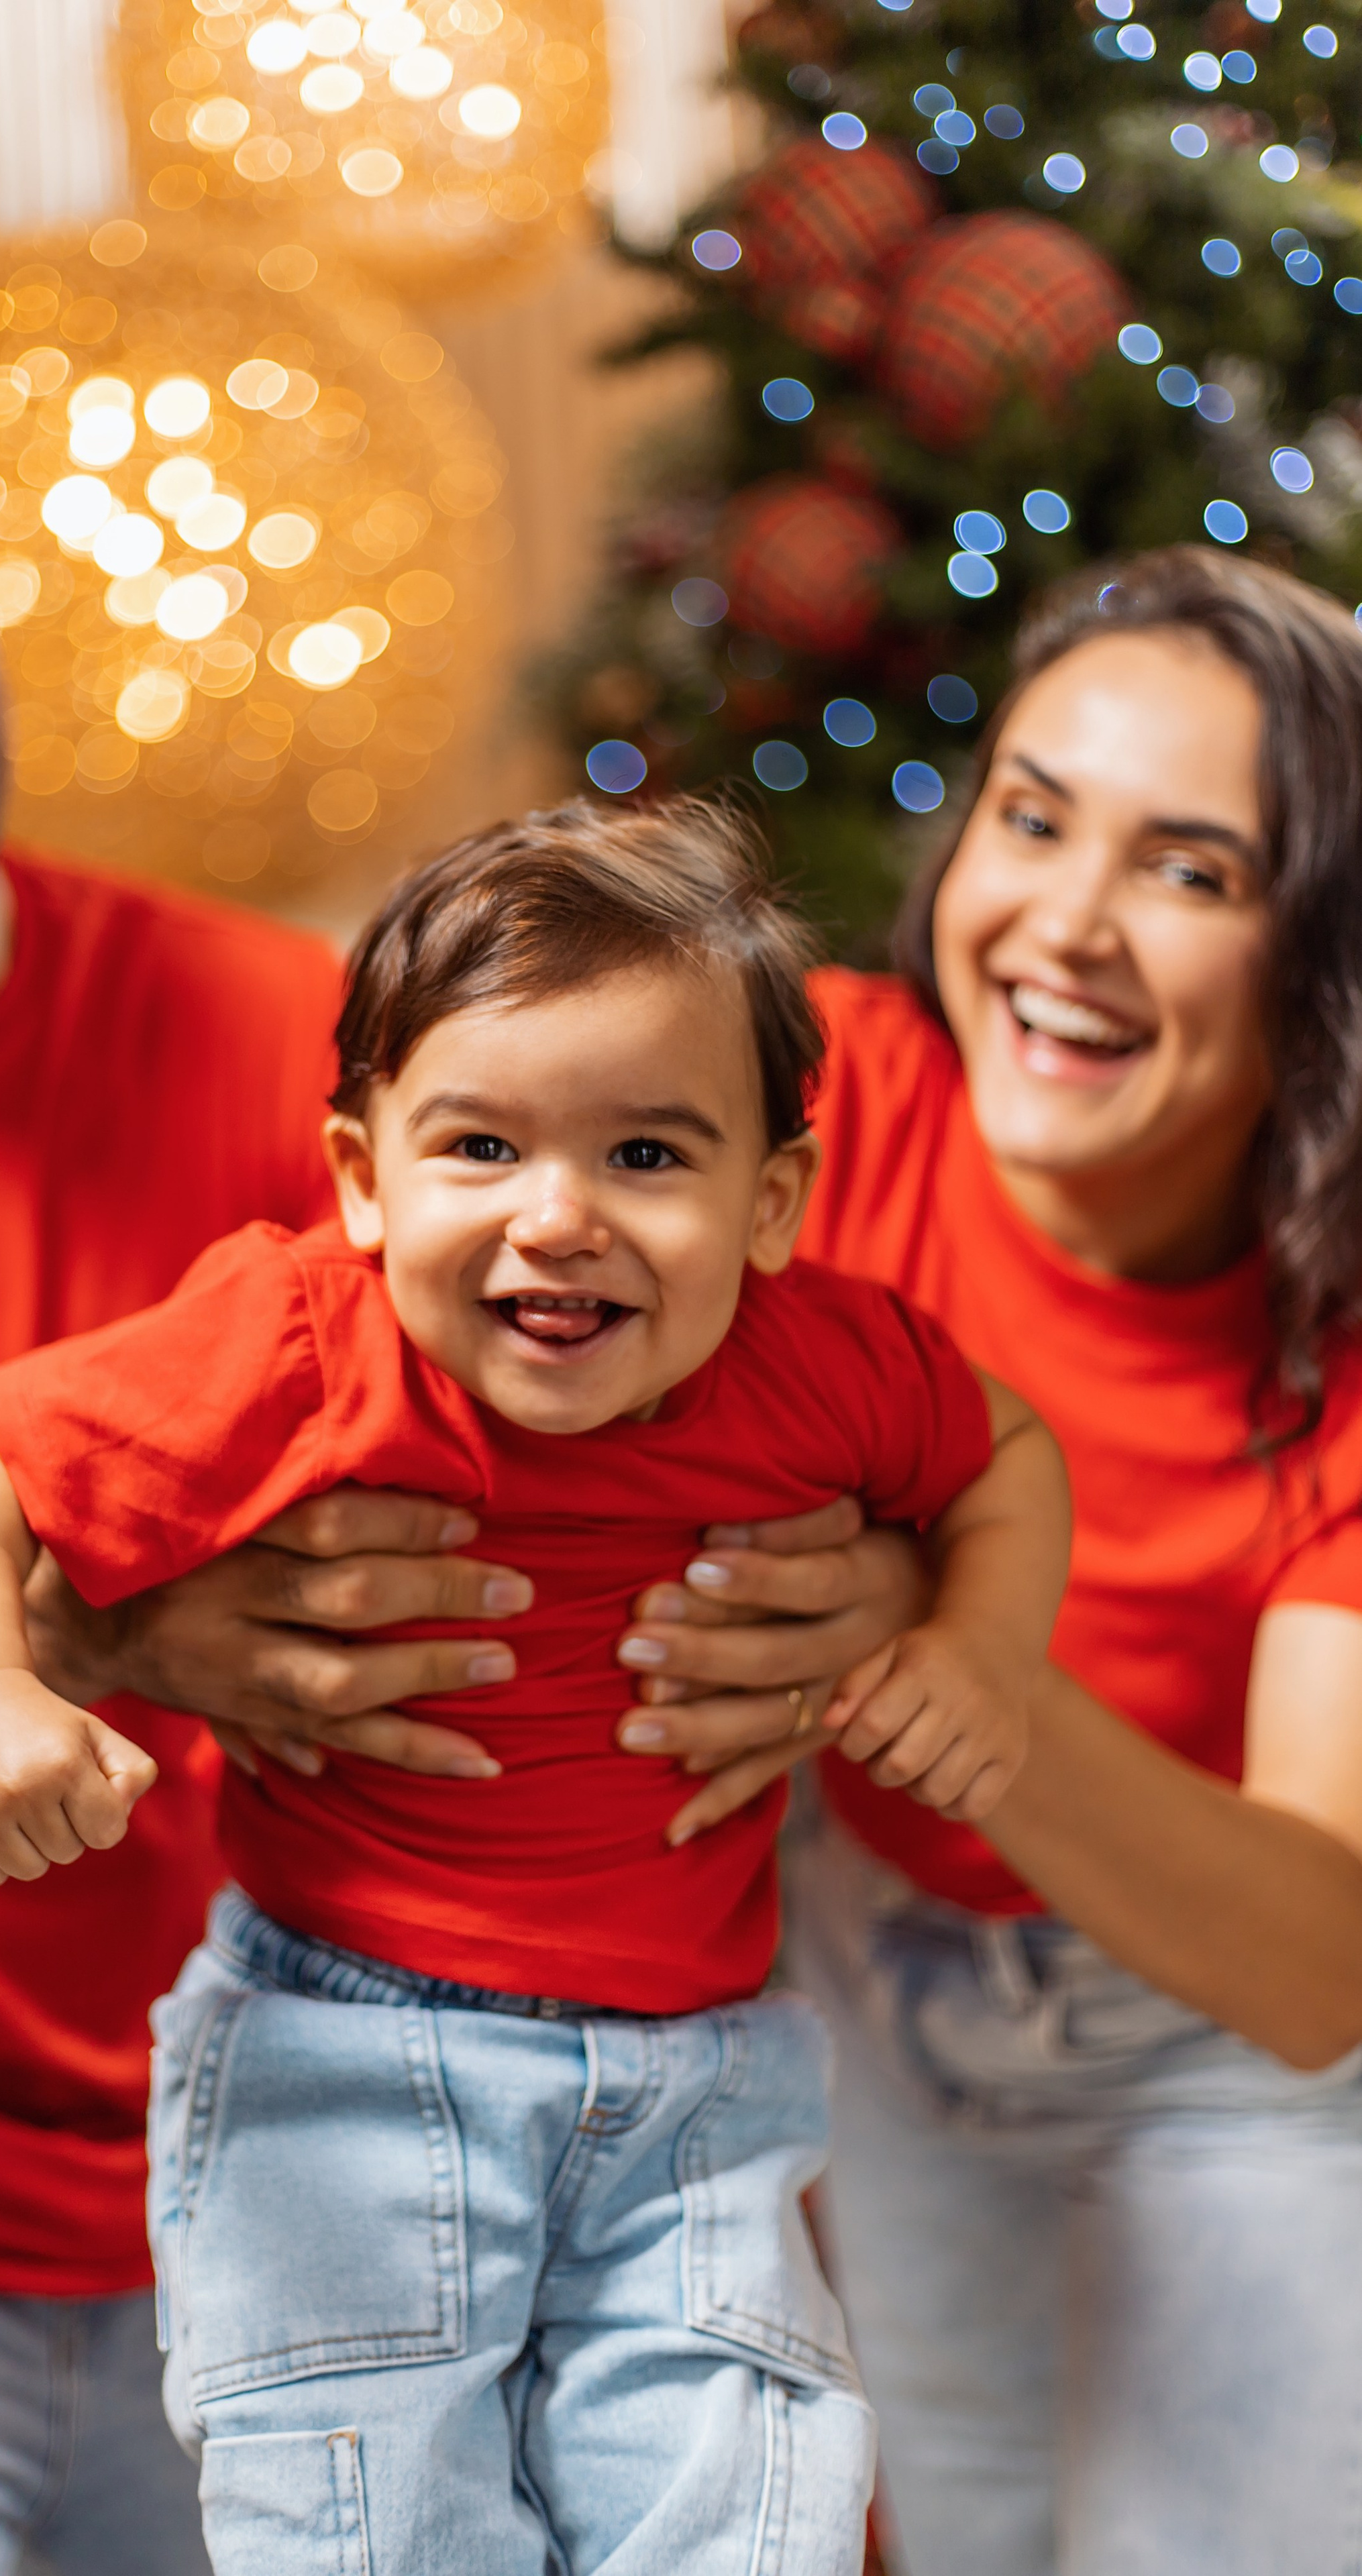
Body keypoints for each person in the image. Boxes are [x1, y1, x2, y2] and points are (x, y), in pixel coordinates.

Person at [0, 293, 855, 2572]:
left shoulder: (339, 1057)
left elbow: (781, 1338)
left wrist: (886, 1581)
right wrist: (81, 1629)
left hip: (364, 2151)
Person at [0, 804, 1071, 2576]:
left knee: (756, 2518)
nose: (558, 1217)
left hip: (693, 2090)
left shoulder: (828, 1363)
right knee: (378, 2526)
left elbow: (1011, 1458)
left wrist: (976, 1645)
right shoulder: (296, 1345)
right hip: (345, 2062)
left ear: (773, 1201)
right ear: (365, 1178)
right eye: (482, 1147)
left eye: (649, 1155)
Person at [607, 547, 1362, 2576]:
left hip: (1230, 2066)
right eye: (1034, 821)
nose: (1066, 926)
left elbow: (1318, 1965)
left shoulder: (1345, 1339)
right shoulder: (818, 1098)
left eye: (1193, 872)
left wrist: (944, 1653)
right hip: (879, 1993)